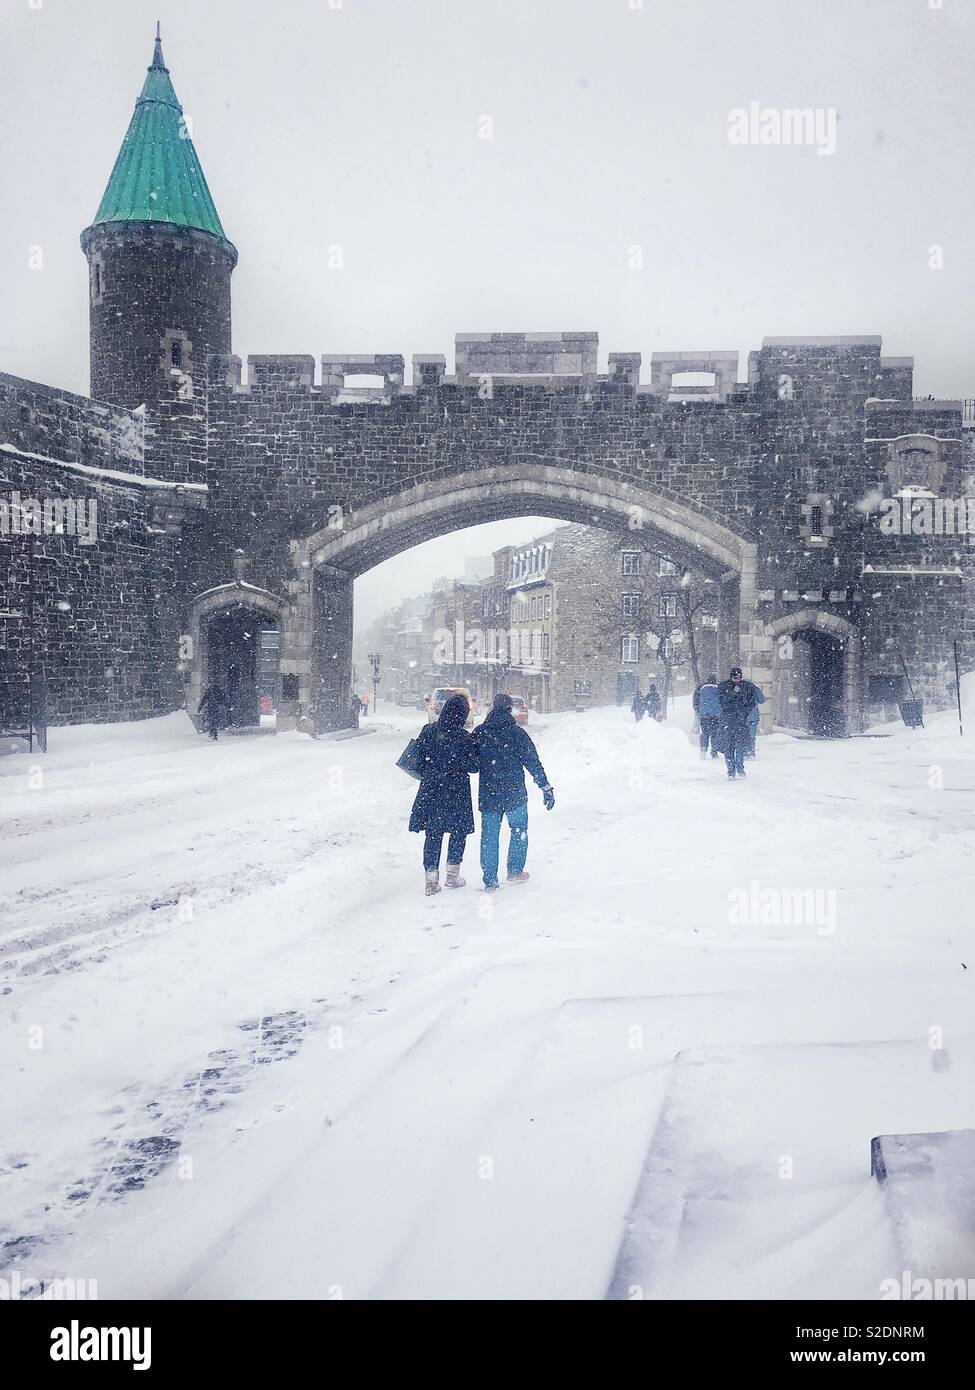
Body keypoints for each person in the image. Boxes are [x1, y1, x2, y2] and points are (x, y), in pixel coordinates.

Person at [472, 692, 555, 891]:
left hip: (489, 791)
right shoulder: (517, 734)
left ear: (492, 708)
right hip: (514, 791)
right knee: (519, 829)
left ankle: (490, 879)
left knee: (489, 836)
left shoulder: (480, 732)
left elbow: (470, 762)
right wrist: (545, 786)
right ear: (510, 709)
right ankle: (515, 870)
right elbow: (532, 762)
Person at [408, 694, 479, 895]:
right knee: (458, 831)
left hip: (431, 788)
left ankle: (431, 880)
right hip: (457, 791)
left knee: (433, 833)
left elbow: (417, 760)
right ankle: (452, 875)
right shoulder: (464, 737)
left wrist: (432, 770)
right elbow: (474, 767)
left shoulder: (428, 731)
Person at [717, 666, 760, 780]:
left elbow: (752, 702)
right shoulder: (724, 687)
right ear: (731, 677)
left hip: (741, 722)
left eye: (739, 677)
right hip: (728, 722)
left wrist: (744, 712)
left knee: (740, 747)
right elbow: (722, 702)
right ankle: (731, 771)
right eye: (735, 677)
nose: (737, 680)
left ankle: (740, 768)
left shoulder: (746, 687)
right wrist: (733, 696)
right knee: (729, 748)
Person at [693, 673, 722, 760]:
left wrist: (699, 711)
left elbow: (695, 701)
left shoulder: (701, 688)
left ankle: (703, 751)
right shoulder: (719, 688)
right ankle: (714, 752)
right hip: (716, 716)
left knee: (705, 733)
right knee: (715, 734)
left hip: (704, 715)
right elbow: (723, 701)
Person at [745, 683, 766, 758]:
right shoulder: (754, 689)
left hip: (742, 717)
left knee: (742, 735)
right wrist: (757, 689)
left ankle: (744, 751)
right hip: (753, 716)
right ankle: (751, 751)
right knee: (752, 735)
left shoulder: (739, 689)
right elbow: (761, 700)